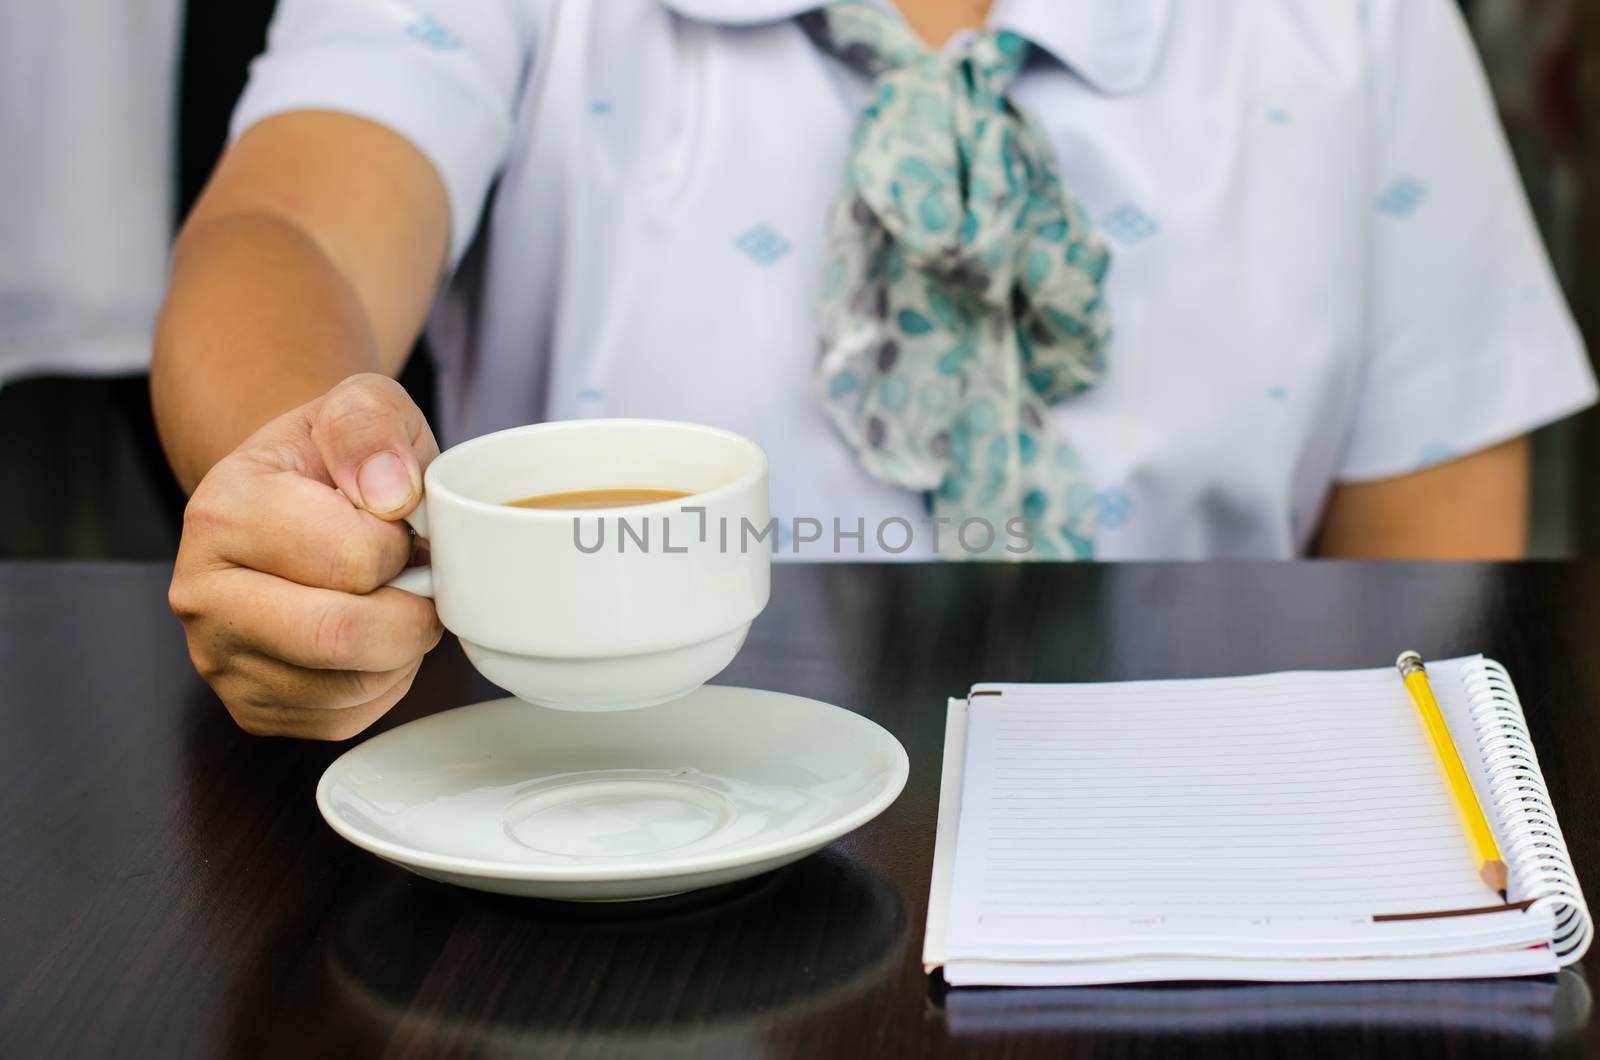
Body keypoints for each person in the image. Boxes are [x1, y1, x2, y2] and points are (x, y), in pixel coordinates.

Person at [153, 0, 1597, 739]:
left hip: (1202, 878)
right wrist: (305, 470)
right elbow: (294, 224)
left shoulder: (1354, 22)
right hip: (596, 869)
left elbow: (1425, 588)